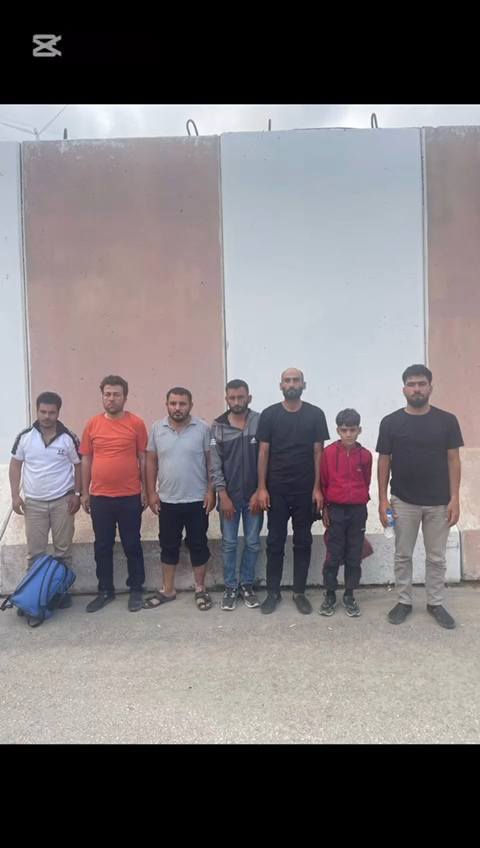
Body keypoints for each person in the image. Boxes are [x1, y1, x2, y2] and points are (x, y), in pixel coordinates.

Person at [376, 364, 463, 629]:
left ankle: (435, 603)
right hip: (403, 500)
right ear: (404, 389)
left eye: (421, 384)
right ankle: (403, 601)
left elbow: (453, 460)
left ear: (430, 388)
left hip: (439, 502)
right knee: (402, 555)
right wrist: (382, 499)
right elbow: (384, 461)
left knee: (436, 558)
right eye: (411, 384)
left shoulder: (447, 421)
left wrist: (455, 498)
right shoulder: (390, 422)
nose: (417, 389)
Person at [256, 368, 330, 614]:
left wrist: (317, 488)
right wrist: (261, 487)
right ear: (281, 386)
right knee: (274, 542)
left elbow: (318, 452)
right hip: (276, 489)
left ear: (303, 385)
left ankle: (299, 592)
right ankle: (273, 593)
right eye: (287, 381)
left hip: (305, 490)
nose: (291, 384)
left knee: (303, 541)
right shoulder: (269, 415)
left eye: (295, 380)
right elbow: (263, 451)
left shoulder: (315, 414)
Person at [9, 391, 81, 627]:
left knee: (63, 551)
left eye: (51, 412)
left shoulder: (68, 438)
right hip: (34, 504)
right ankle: (31, 596)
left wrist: (77, 494)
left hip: (62, 502)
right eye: (43, 412)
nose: (47, 416)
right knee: (35, 553)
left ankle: (60, 593)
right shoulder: (25, 437)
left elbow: (78, 466)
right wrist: (15, 495)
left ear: (58, 413)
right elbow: (15, 465)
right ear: (37, 410)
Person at [80, 375, 148, 613]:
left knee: (132, 544)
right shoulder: (92, 424)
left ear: (125, 397)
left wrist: (146, 490)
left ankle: (136, 589)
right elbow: (86, 459)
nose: (111, 398)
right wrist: (84, 492)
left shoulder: (136, 423)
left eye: (116, 394)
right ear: (102, 396)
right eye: (107, 394)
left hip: (130, 496)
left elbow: (143, 458)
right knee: (102, 546)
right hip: (100, 497)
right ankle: (105, 590)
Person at [144, 387, 215, 612]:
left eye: (182, 403)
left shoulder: (203, 428)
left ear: (190, 405)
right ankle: (168, 590)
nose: (177, 408)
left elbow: (211, 462)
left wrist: (211, 491)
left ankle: (200, 589)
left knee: (198, 544)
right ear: (167, 405)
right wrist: (151, 492)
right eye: (173, 403)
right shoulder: (157, 428)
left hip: (197, 500)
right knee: (168, 545)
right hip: (167, 500)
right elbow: (151, 461)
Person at [210, 379, 263, 611]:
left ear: (248, 397)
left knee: (252, 543)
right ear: (226, 399)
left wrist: (260, 491)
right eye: (232, 398)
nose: (237, 402)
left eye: (241, 397)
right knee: (229, 543)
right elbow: (214, 465)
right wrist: (222, 496)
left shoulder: (260, 421)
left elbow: (267, 458)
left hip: (254, 497)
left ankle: (247, 585)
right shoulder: (218, 426)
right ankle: (230, 587)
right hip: (229, 498)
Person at [319, 409, 372, 618]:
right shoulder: (328, 453)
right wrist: (325, 508)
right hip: (336, 509)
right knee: (333, 554)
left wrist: (359, 499)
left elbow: (366, 481)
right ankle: (330, 594)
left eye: (352, 430)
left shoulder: (365, 456)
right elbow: (324, 482)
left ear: (359, 430)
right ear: (337, 431)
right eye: (344, 430)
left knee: (354, 554)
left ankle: (349, 594)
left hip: (358, 510)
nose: (348, 434)